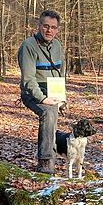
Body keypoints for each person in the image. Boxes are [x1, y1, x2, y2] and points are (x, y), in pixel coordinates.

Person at [18, 10, 66, 174]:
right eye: (45, 26)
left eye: (53, 27)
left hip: (52, 90)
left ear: (57, 29)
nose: (49, 30)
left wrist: (61, 97)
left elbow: (61, 74)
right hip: (32, 92)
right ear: (39, 26)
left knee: (53, 117)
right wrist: (43, 98)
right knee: (49, 112)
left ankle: (54, 151)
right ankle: (45, 162)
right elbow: (28, 79)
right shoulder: (28, 46)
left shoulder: (58, 46)